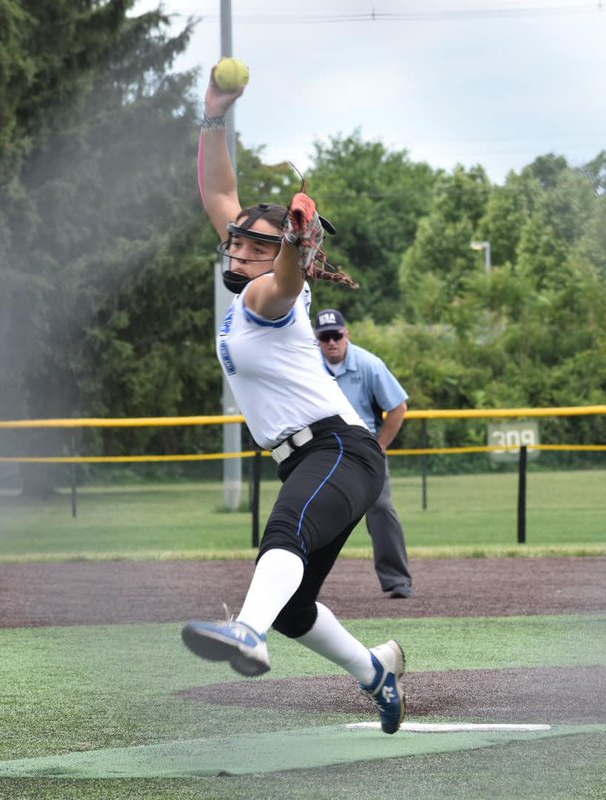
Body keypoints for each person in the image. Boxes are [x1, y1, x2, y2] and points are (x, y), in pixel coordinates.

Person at [179, 68, 406, 734]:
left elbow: (280, 280)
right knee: (297, 604)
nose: (240, 250)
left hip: (339, 449)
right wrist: (213, 116)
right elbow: (221, 191)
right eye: (237, 241)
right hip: (314, 458)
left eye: (256, 245)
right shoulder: (249, 269)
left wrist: (297, 249)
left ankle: (247, 632)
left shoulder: (266, 296)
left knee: (281, 541)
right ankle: (377, 673)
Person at [314, 309, 413, 599]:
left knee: (381, 508)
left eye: (336, 335)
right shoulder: (307, 367)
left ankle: (397, 581)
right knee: (313, 513)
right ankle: (303, 588)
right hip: (323, 447)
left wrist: (380, 445)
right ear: (316, 341)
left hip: (364, 446)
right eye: (324, 337)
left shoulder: (369, 364)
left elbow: (398, 408)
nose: (331, 342)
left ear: (347, 335)